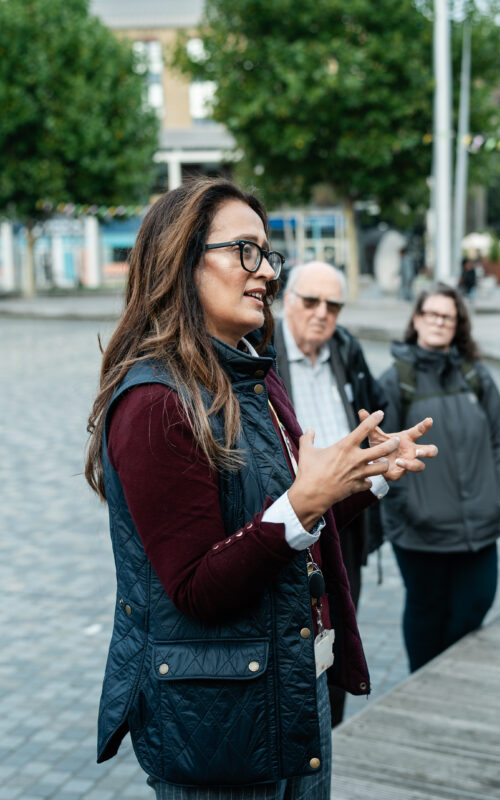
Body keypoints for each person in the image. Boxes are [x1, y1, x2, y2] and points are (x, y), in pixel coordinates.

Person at [84, 178, 437, 798]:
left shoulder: (250, 372)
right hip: (219, 730)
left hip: (291, 692)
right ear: (181, 257)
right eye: (245, 250)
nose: (266, 272)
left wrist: (365, 477)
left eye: (267, 254)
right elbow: (196, 588)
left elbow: (283, 521)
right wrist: (305, 500)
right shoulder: (153, 402)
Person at [272, 260, 385, 726]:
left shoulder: (345, 348)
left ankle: (330, 731)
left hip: (348, 519)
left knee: (339, 629)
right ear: (286, 301)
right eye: (311, 301)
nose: (322, 313)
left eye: (333, 305)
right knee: (294, 633)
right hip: (292, 519)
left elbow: (375, 409)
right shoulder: (264, 352)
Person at [378, 282, 500, 672]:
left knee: (475, 606)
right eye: (431, 314)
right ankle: (424, 682)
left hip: (479, 527)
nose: (438, 322)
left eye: (447, 317)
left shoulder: (476, 376)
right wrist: (409, 508)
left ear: (457, 325)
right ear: (416, 319)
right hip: (422, 533)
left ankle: (452, 676)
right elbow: (379, 453)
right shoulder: (395, 380)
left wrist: (495, 496)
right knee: (426, 614)